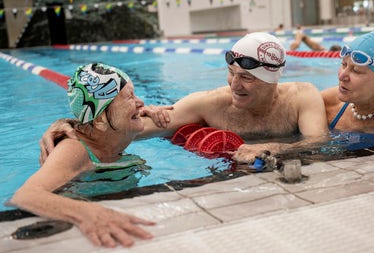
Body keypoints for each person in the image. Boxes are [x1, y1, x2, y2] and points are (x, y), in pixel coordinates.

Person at [39, 33, 329, 164]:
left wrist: (273, 147)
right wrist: (72, 126)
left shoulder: (302, 97)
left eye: (247, 78)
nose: (234, 85)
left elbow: (320, 142)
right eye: (231, 73)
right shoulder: (208, 104)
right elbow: (127, 128)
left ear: (271, 80)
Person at [9, 63, 155, 248]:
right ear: (101, 119)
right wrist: (87, 213)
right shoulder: (74, 148)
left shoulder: (113, 135)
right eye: (129, 97)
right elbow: (26, 195)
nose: (140, 102)